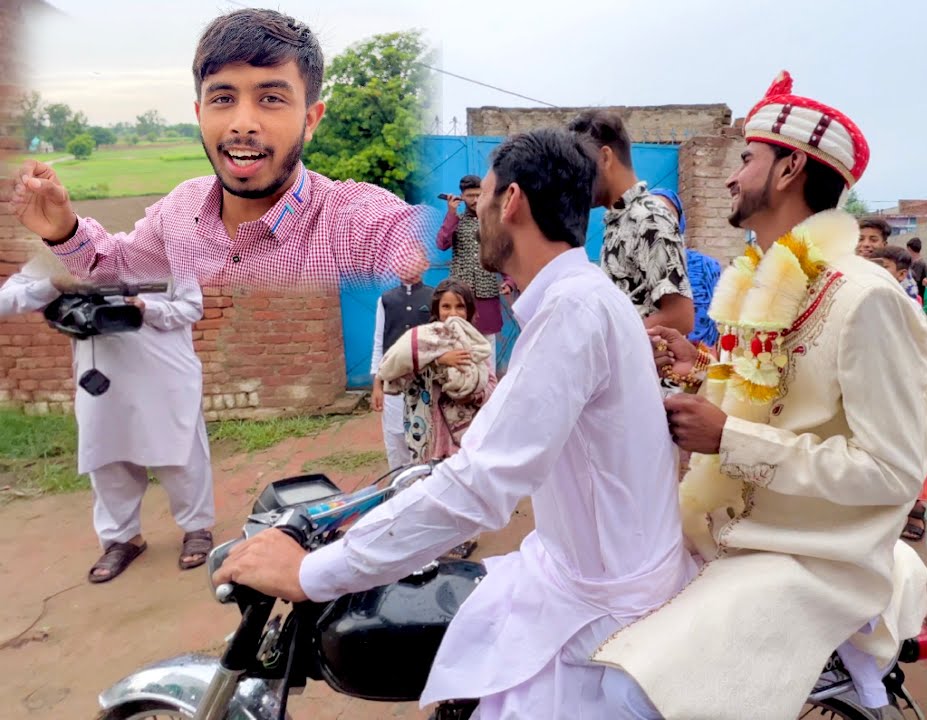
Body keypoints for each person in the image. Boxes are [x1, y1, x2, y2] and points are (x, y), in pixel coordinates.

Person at [212, 128, 695, 719]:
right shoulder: (586, 296)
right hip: (584, 568)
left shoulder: (572, 312)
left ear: (511, 201)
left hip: (598, 609)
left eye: (486, 197)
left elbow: (480, 486)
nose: (479, 210)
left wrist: (314, 572)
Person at [594, 71, 927, 719]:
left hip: (812, 556)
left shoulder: (866, 298)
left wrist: (727, 438)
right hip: (737, 529)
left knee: (629, 691)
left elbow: (892, 471)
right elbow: (772, 401)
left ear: (789, 171)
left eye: (746, 160)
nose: (730, 176)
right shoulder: (766, 282)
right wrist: (695, 370)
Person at [5, 8, 430, 291]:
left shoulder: (349, 221)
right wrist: (62, 228)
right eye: (223, 98)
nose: (242, 123)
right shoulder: (179, 210)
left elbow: (402, 236)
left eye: (271, 98)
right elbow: (114, 267)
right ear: (199, 113)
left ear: (311, 120)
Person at [0, 263, 214, 583]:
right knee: (106, 456)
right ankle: (122, 539)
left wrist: (147, 308)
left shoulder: (166, 249)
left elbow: (191, 307)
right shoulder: (61, 256)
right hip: (100, 379)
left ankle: (197, 528)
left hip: (164, 373)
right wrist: (52, 284)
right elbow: (6, 300)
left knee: (179, 450)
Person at [377, 278, 498, 560]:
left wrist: (472, 394)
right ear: (436, 308)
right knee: (427, 482)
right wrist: (438, 361)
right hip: (425, 430)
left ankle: (463, 537)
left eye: (459, 307)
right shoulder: (423, 340)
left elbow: (490, 385)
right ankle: (429, 535)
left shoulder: (476, 343)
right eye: (446, 307)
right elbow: (398, 374)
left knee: (460, 485)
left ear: (469, 311)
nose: (452, 313)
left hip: (460, 432)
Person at [568, 110, 694, 334]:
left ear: (605, 158)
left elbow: (680, 316)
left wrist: (609, 343)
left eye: (580, 167)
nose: (576, 180)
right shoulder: (621, 218)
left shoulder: (650, 218)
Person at [370, 264, 435, 470]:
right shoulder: (386, 300)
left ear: (425, 264)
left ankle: (424, 480)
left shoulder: (434, 298)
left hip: (424, 379)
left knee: (424, 431)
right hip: (394, 380)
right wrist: (377, 385)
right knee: (395, 433)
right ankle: (399, 482)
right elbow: (379, 342)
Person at [436, 175, 507, 341]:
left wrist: (509, 282)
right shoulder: (456, 221)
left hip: (487, 294)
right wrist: (451, 213)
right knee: (459, 340)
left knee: (487, 343)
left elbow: (503, 255)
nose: (475, 200)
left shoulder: (494, 223)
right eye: (470, 196)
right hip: (461, 294)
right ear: (462, 196)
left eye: (478, 195)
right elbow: (442, 243)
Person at [650, 187, 722, 348]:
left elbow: (721, 324)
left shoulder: (706, 267)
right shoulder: (628, 272)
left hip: (702, 364)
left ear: (679, 223)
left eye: (667, 215)